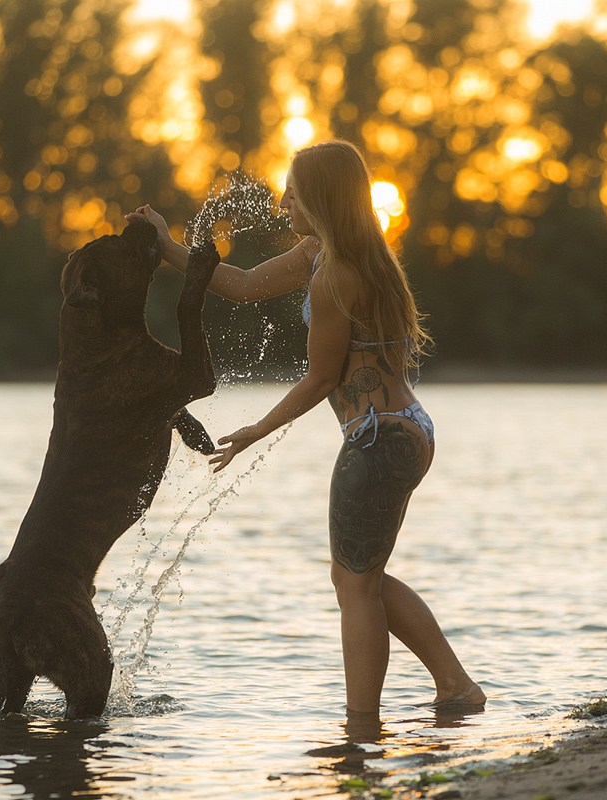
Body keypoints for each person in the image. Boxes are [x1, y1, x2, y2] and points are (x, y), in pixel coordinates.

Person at [127, 140, 484, 715]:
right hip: (407, 427)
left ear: (319, 196)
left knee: (356, 586)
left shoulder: (335, 275)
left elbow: (319, 380)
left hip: (375, 436)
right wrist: (168, 246)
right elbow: (241, 285)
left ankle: (361, 729)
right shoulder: (330, 253)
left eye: (294, 188)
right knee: (360, 579)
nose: (285, 197)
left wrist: (253, 432)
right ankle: (455, 688)